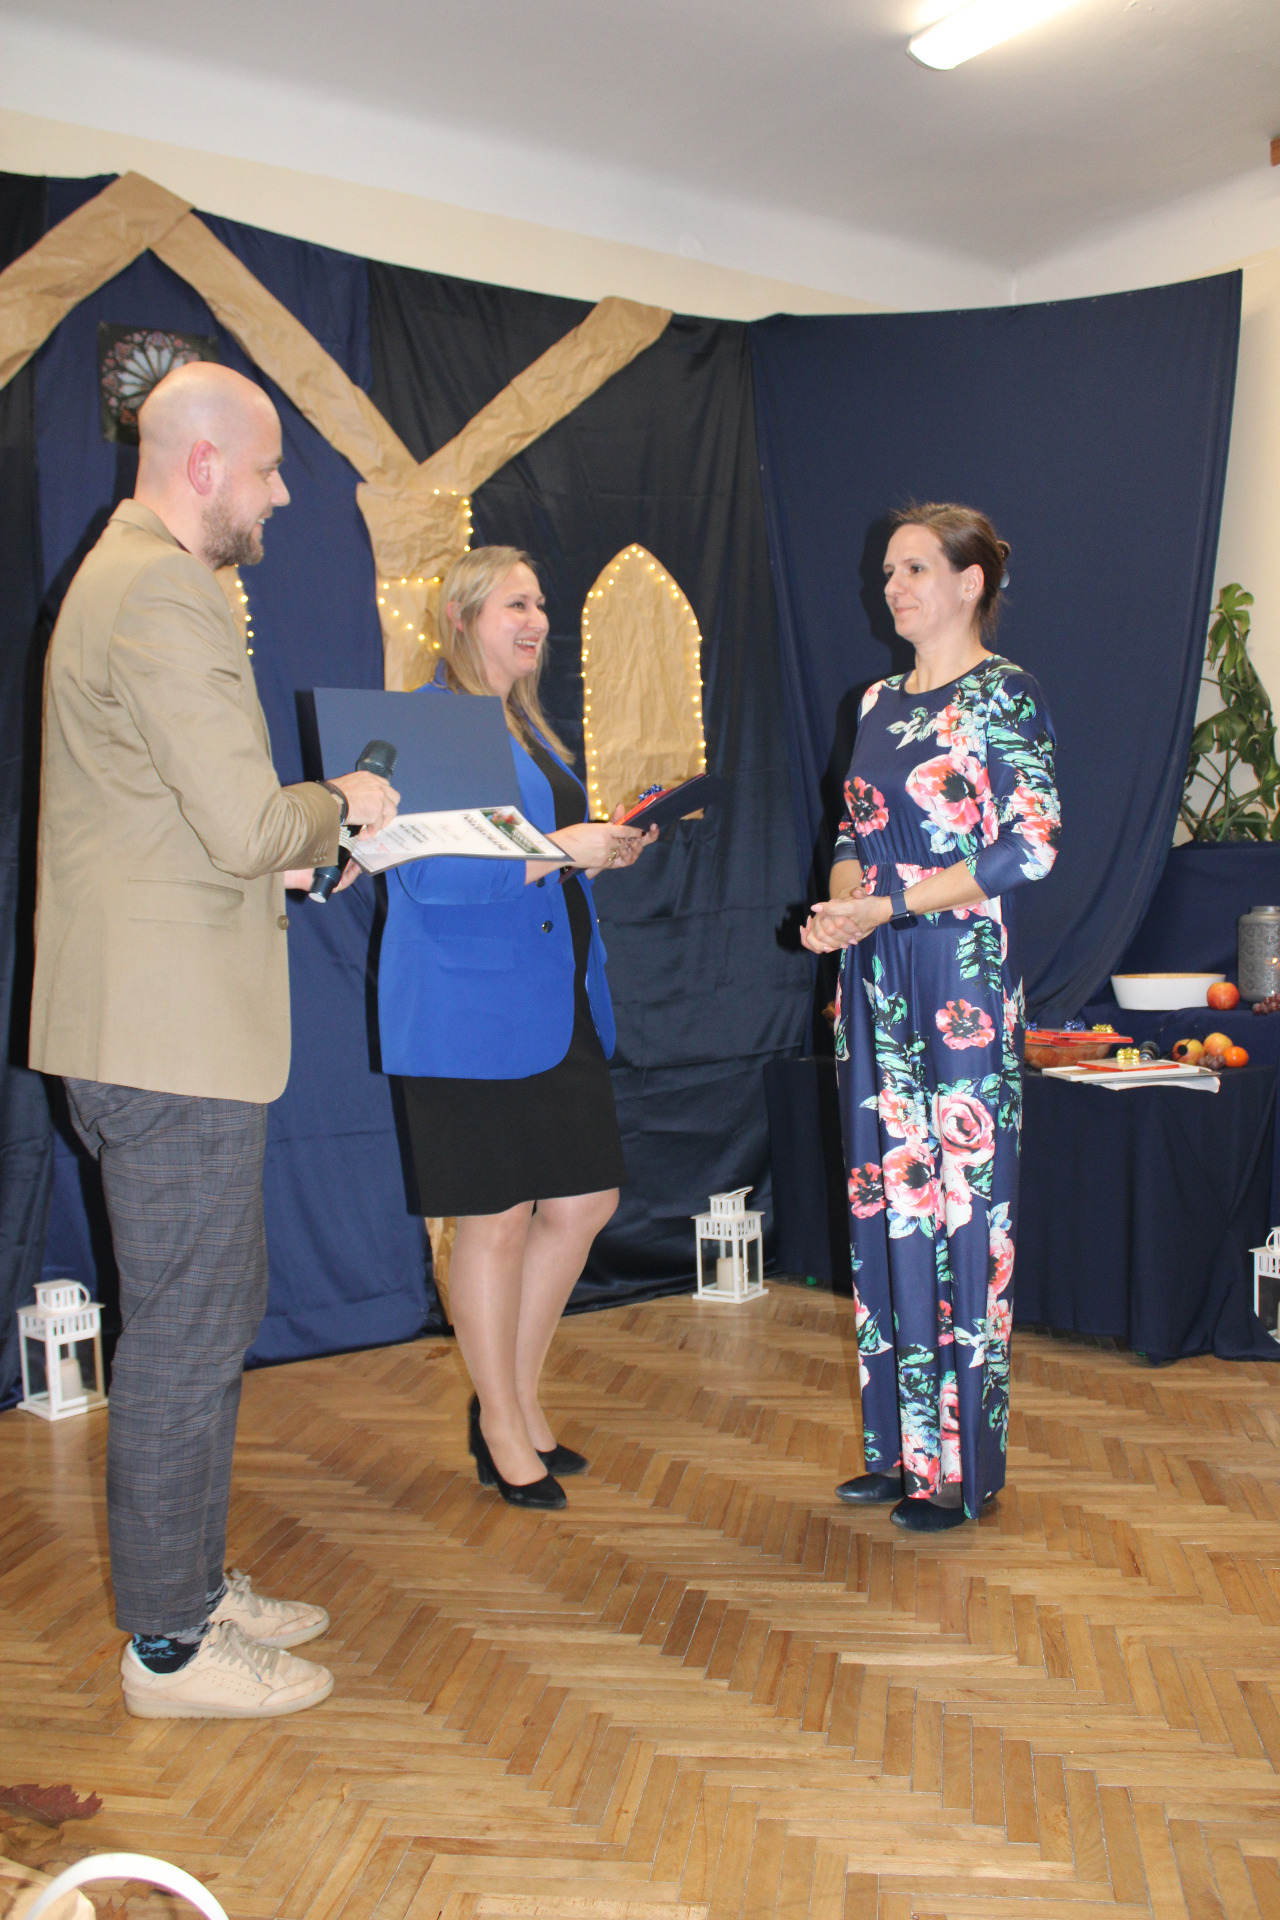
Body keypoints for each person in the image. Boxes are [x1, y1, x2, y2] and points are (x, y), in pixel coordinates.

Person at [29, 361, 399, 1717]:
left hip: (156, 1027)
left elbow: (176, 819)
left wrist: (290, 853)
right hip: (164, 1041)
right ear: (201, 466)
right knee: (187, 1336)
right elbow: (247, 821)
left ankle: (186, 1582)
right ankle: (170, 1647)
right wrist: (343, 803)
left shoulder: (129, 580)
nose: (282, 494)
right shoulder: (162, 592)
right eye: (268, 467)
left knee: (205, 1318)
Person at [378, 546, 657, 1509]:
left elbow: (535, 857)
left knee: (583, 1203)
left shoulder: (528, 728)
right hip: (467, 1011)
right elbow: (432, 873)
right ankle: (502, 1422)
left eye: (540, 603)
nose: (536, 619)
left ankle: (511, 1392)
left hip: (555, 998)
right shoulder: (425, 723)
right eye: (515, 604)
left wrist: (598, 849)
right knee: (492, 1222)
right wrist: (558, 849)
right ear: (462, 617)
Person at [802, 504, 1059, 1533]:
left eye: (913, 568)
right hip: (870, 972)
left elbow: (1030, 847)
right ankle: (900, 1453)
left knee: (963, 1213)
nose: (892, 587)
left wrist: (892, 904)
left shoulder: (1004, 694)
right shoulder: (872, 701)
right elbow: (849, 830)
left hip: (957, 978)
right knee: (885, 1202)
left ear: (968, 582)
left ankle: (962, 1470)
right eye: (887, 572)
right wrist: (840, 906)